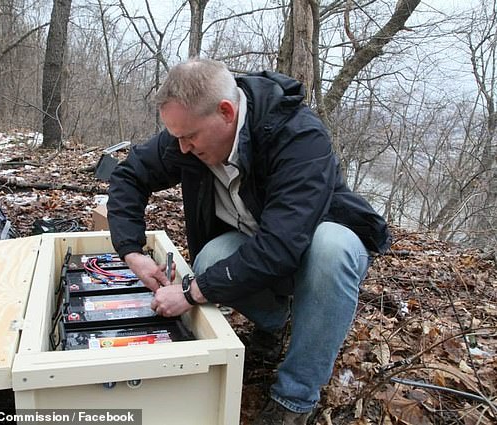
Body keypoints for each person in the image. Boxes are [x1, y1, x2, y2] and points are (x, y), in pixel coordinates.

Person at [107, 58, 391, 424]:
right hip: (260, 245)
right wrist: (132, 252)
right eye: (176, 137)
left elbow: (282, 244)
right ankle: (275, 324)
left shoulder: (298, 136)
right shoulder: (191, 134)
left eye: (189, 137)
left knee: (330, 250)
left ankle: (295, 399)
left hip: (312, 249)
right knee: (210, 260)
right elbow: (129, 176)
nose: (182, 149)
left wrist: (191, 293)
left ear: (226, 112)